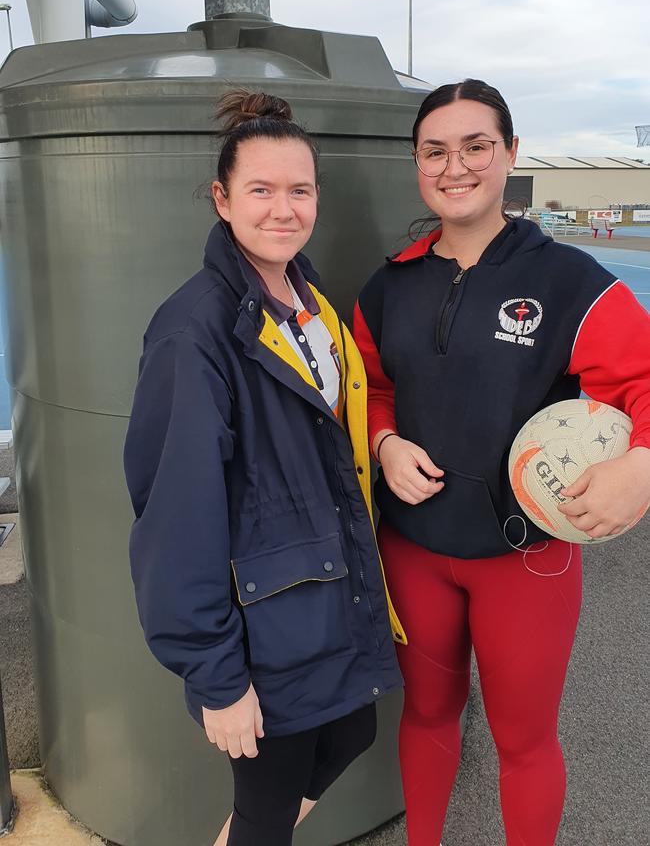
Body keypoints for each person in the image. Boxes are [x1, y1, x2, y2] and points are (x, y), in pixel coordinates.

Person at [353, 79, 650, 846]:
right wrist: (384, 442)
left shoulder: (570, 282)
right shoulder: (389, 287)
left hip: (527, 562)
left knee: (523, 742)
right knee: (425, 714)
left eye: (476, 146)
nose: (457, 166)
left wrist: (641, 466)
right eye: (436, 151)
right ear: (417, 165)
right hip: (413, 549)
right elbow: (371, 390)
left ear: (510, 154)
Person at [124, 90, 403, 846]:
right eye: (261, 190)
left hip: (320, 595)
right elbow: (175, 516)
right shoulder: (196, 333)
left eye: (300, 190)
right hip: (262, 621)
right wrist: (216, 676)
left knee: (350, 735)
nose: (284, 209)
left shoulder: (308, 302)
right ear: (222, 198)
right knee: (267, 810)